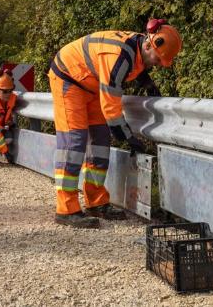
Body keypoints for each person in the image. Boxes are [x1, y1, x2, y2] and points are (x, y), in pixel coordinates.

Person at [48, 19, 182, 228]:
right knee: (74, 142)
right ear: (149, 45)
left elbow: (133, 64)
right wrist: (127, 136)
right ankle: (66, 209)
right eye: (158, 59)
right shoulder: (120, 56)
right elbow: (111, 104)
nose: (157, 64)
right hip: (69, 78)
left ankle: (96, 202)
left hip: (90, 83)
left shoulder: (138, 45)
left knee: (100, 140)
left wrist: (145, 81)